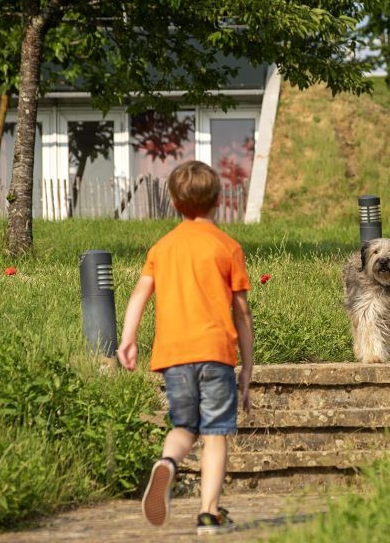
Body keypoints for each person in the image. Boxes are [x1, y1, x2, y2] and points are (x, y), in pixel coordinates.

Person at [116, 160, 253, 535]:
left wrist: (128, 340)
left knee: (183, 427)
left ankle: (168, 463)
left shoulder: (162, 247)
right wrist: (248, 371)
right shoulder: (227, 246)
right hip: (215, 355)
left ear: (175, 203)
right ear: (218, 200)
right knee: (215, 434)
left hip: (174, 357)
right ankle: (209, 513)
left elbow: (139, 294)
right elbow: (242, 315)